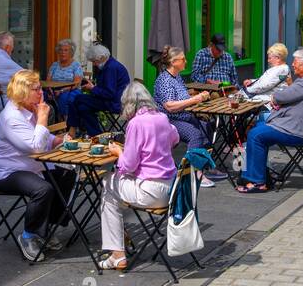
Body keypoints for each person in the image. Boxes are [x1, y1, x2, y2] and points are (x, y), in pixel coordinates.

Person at [0, 69, 74, 262]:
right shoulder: (11, 118)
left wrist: (57, 140)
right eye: (36, 89)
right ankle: (28, 236)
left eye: (40, 88)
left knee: (67, 173)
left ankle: (47, 228)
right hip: (6, 173)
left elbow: (40, 137)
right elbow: (34, 147)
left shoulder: (28, 110)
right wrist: (42, 118)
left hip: (30, 167)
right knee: (43, 189)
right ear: (22, 92)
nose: (41, 93)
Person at [97, 82, 179, 271]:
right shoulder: (162, 117)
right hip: (171, 189)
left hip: (150, 192)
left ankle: (117, 255)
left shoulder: (135, 123)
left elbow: (128, 165)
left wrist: (118, 152)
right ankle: (121, 236)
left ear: (128, 103)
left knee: (107, 184)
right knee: (114, 186)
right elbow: (174, 138)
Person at [238, 47, 303, 193]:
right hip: (296, 125)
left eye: (296, 62)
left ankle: (257, 181)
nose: (293, 64)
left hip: (298, 130)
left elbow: (281, 96)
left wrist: (275, 99)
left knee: (255, 135)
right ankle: (256, 175)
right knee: (258, 127)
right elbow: (286, 95)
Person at [152, 46, 226, 187]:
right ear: (173, 62)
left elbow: (181, 95)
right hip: (169, 119)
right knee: (195, 134)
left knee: (207, 126)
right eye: (183, 59)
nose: (186, 61)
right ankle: (195, 173)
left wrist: (195, 94)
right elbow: (170, 106)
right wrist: (196, 99)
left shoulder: (176, 76)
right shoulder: (164, 80)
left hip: (183, 116)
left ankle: (205, 167)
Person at [60, 44, 129, 137]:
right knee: (82, 107)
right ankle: (95, 135)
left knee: (78, 98)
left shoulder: (110, 68)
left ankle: (72, 130)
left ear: (101, 58)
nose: (94, 64)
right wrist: (93, 87)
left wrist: (93, 88)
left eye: (94, 61)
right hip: (112, 101)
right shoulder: (110, 65)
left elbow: (109, 93)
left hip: (114, 103)